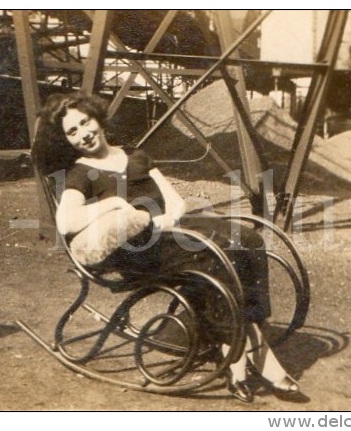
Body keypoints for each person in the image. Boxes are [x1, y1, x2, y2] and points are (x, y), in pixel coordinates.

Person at [32, 91, 299, 403]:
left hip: (170, 233)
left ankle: (250, 332)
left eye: (85, 122)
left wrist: (167, 218)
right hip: (138, 252)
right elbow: (67, 222)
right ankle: (242, 360)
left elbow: (175, 200)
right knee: (213, 257)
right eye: (72, 132)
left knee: (247, 240)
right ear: (66, 140)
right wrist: (114, 204)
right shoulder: (81, 172)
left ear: (97, 118)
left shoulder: (136, 155)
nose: (83, 134)